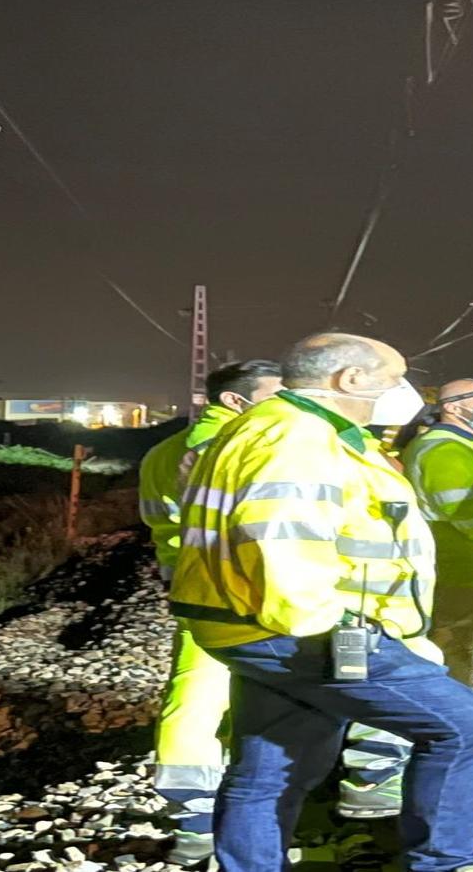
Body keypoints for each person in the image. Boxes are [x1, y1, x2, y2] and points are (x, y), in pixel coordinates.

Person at [169, 333, 473, 872]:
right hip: (304, 630)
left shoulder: (274, 427)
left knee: (270, 769)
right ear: (350, 379)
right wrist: (328, 632)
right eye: (395, 376)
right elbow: (278, 537)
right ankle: (448, 863)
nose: (404, 389)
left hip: (245, 623)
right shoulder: (299, 438)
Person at [142, 360, 286, 864]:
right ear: (233, 400)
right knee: (225, 686)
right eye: (276, 394)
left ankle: (195, 810)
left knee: (197, 685)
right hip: (238, 584)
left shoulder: (164, 451)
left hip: (191, 579)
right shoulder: (240, 447)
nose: (287, 403)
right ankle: (210, 807)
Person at [396, 378, 473, 684]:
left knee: (457, 641)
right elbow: (465, 512)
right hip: (457, 564)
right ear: (452, 408)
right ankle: (448, 711)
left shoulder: (463, 445)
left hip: (462, 562)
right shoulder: (446, 450)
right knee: (452, 642)